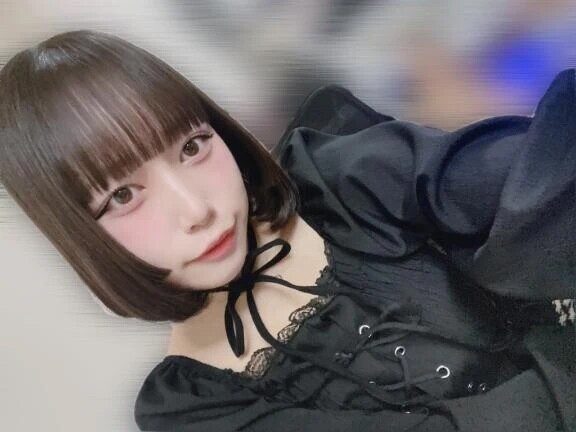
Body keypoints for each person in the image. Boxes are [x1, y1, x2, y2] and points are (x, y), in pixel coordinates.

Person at [0, 30, 574, 432]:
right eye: (123, 196)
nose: (196, 209)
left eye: (192, 146)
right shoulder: (192, 409)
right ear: (82, 235)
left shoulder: (340, 180)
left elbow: (525, 178)